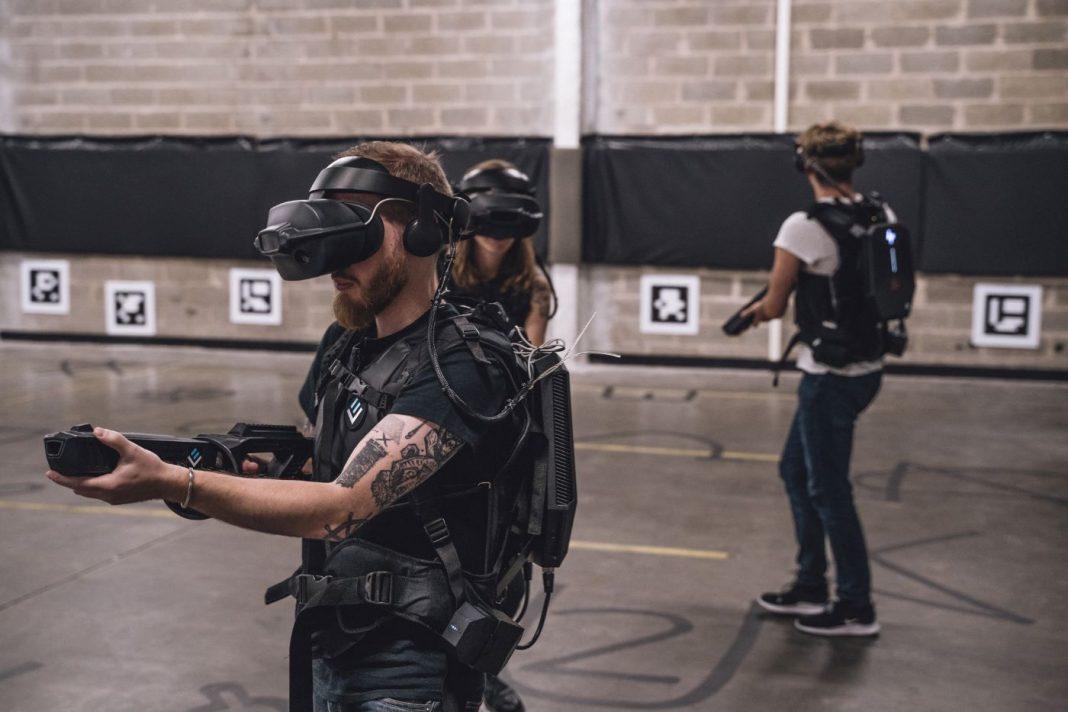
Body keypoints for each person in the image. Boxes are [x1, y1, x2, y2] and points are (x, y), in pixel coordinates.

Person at [48, 141, 529, 711]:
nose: (335, 262)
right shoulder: (344, 346)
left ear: (423, 233)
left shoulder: (463, 366)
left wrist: (173, 482)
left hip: (412, 662)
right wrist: (239, 467)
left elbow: (340, 506)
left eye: (355, 234)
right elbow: (324, 462)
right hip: (332, 633)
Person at [744, 122, 889, 637]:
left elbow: (775, 304)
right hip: (866, 368)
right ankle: (810, 584)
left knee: (828, 490)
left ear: (805, 164)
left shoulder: (801, 227)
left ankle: (855, 605)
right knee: (795, 471)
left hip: (830, 376)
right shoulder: (879, 213)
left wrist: (757, 312)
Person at [450, 159, 552, 347]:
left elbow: (532, 354)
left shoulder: (536, 286)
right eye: (490, 217)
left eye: (508, 217)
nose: (498, 232)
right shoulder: (439, 274)